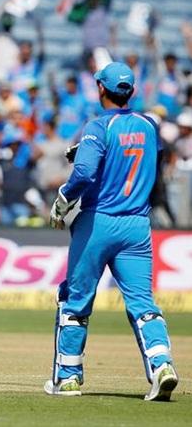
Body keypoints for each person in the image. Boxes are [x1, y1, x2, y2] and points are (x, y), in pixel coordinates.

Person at [46, 62, 178, 401]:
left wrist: (62, 199)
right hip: (137, 226)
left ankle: (68, 378)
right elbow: (143, 156)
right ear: (131, 92)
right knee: (143, 304)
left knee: (75, 303)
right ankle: (162, 365)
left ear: (100, 89)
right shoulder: (149, 125)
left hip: (98, 222)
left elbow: (86, 173)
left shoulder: (97, 126)